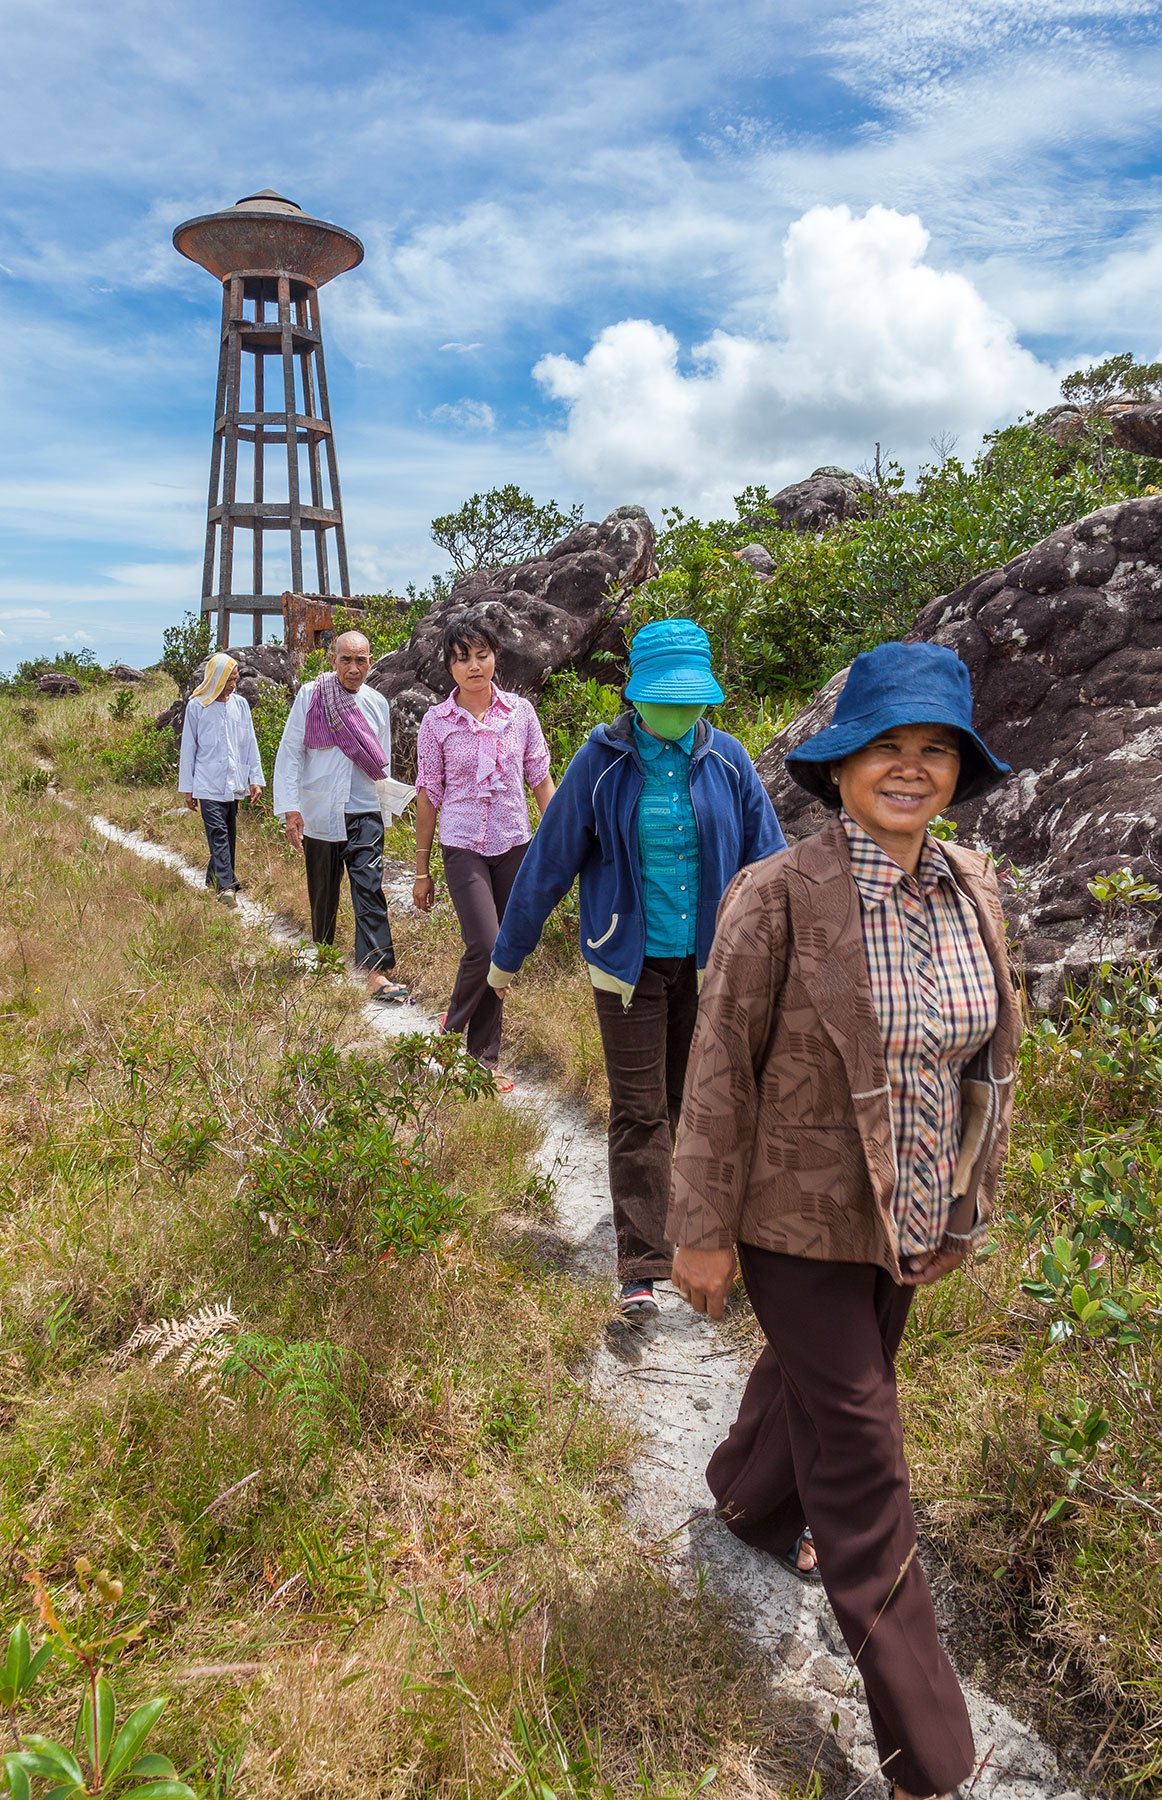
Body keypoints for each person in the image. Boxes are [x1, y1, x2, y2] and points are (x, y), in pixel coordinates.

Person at [667, 640, 1021, 1800]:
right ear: (841, 768)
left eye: (934, 750)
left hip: (911, 1210)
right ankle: (933, 1761)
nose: (910, 770)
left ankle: (748, 1499)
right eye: (887, 748)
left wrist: (971, 1194)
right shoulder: (777, 895)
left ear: (957, 771)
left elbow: (990, 1060)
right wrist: (702, 1227)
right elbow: (719, 1067)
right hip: (791, 1220)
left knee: (824, 1390)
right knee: (867, 1459)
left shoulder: (975, 884)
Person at [488, 618, 785, 1316]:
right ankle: (642, 1271)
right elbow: (549, 862)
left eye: (691, 700)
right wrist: (507, 956)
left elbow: (771, 868)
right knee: (641, 1112)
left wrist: (790, 957)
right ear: (636, 696)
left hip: (710, 968)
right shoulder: (601, 764)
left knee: (700, 1107)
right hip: (626, 967)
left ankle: (700, 1244)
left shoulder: (730, 762)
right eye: (666, 699)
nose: (680, 714)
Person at [412, 609, 555, 1090]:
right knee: (486, 944)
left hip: (515, 843)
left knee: (504, 953)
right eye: (462, 658)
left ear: (495, 657)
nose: (474, 666)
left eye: (482, 654)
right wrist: (421, 868)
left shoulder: (521, 714)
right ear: (449, 667)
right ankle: (445, 1038)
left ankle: (481, 1063)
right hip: (462, 846)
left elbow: (538, 777)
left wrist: (557, 841)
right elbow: (429, 794)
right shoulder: (436, 722)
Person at [272, 630, 407, 1003]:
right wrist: (291, 809)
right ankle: (325, 955)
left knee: (370, 888)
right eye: (346, 660)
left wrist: (385, 817)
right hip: (319, 811)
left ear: (370, 661)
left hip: (364, 809)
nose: (353, 668)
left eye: (360, 660)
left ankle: (375, 971)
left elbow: (384, 763)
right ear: (333, 660)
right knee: (323, 891)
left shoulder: (377, 703)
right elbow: (291, 753)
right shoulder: (310, 696)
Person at [178, 651, 264, 908]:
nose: (233, 685)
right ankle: (227, 887)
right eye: (229, 679)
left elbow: (250, 743)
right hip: (207, 783)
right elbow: (188, 749)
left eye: (235, 679)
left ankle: (213, 878)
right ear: (216, 679)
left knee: (228, 835)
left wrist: (254, 779)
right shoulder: (197, 706)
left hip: (233, 781)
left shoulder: (240, 705)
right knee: (218, 834)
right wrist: (188, 788)